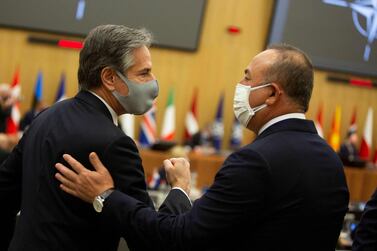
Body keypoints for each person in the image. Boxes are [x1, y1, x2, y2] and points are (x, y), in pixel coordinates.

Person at [55, 44, 350, 250]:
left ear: (272, 94)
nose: (240, 84)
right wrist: (181, 188)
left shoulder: (256, 161)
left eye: (247, 77)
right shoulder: (331, 161)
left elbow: (178, 239)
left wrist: (105, 196)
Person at [0, 25, 191, 251]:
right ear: (109, 77)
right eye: (144, 73)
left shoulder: (46, 117)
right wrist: (180, 189)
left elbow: (4, 197)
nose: (154, 82)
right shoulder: (115, 143)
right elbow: (151, 240)